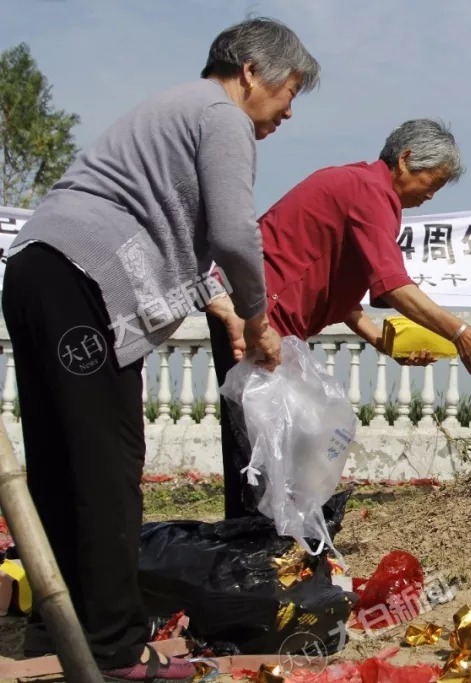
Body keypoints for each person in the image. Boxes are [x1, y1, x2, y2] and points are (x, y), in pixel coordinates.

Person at [1, 17, 320, 681]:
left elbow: (190, 250)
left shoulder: (175, 112)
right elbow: (236, 235)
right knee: (105, 464)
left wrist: (231, 312)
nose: (289, 111)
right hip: (80, 282)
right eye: (289, 91)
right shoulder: (221, 116)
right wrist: (260, 318)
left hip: (38, 271)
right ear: (252, 71)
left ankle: (51, 630)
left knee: (63, 464)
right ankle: (116, 648)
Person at [204, 118, 471, 519]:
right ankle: (249, 558)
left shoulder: (369, 193)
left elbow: (344, 297)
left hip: (274, 322)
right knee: (257, 451)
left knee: (280, 444)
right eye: (435, 180)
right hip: (254, 316)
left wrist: (382, 341)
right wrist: (461, 332)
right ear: (407, 159)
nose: (433, 193)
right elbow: (395, 286)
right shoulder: (370, 191)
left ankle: (268, 542)